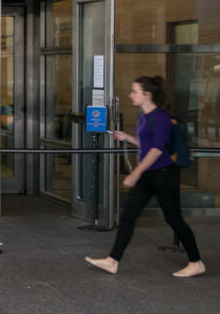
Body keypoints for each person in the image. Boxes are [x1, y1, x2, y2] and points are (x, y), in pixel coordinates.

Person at [85, 76, 205, 278]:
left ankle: (196, 262)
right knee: (128, 216)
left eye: (135, 91)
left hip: (163, 175)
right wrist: (128, 138)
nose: (131, 95)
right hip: (148, 175)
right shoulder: (143, 115)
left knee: (174, 219)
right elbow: (147, 144)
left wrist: (136, 172)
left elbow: (158, 150)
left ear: (147, 94)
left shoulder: (161, 118)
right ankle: (112, 260)